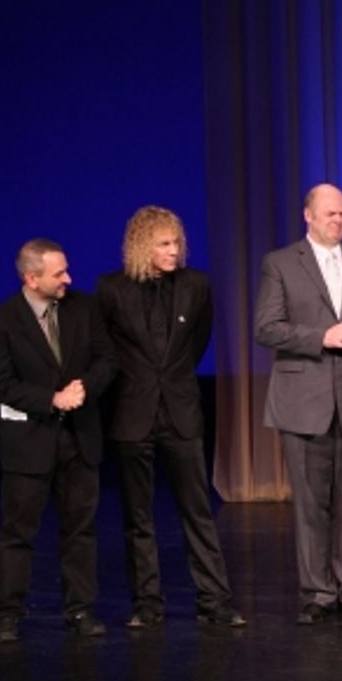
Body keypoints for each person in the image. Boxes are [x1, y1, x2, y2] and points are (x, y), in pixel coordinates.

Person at [96, 206, 245, 629]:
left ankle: (215, 601)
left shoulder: (197, 285)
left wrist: (171, 380)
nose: (173, 250)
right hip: (133, 412)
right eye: (163, 244)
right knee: (138, 517)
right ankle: (147, 604)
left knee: (197, 510)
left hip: (181, 411)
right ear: (142, 245)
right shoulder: (111, 290)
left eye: (176, 242)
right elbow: (107, 351)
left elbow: (197, 343)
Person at [254, 183, 342, 625]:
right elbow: (267, 327)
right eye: (329, 213)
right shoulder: (280, 263)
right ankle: (317, 591)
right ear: (308, 216)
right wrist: (323, 337)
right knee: (312, 504)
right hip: (304, 400)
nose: (337, 220)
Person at [0, 238, 116, 642]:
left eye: (66, 270)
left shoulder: (84, 308)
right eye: (59, 274)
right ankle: (9, 614)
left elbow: (107, 360)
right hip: (29, 443)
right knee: (18, 533)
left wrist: (84, 387)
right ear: (31, 278)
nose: (68, 279)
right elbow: (1, 384)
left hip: (79, 439)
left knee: (80, 530)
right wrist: (51, 399)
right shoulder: (0, 322)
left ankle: (80, 610)